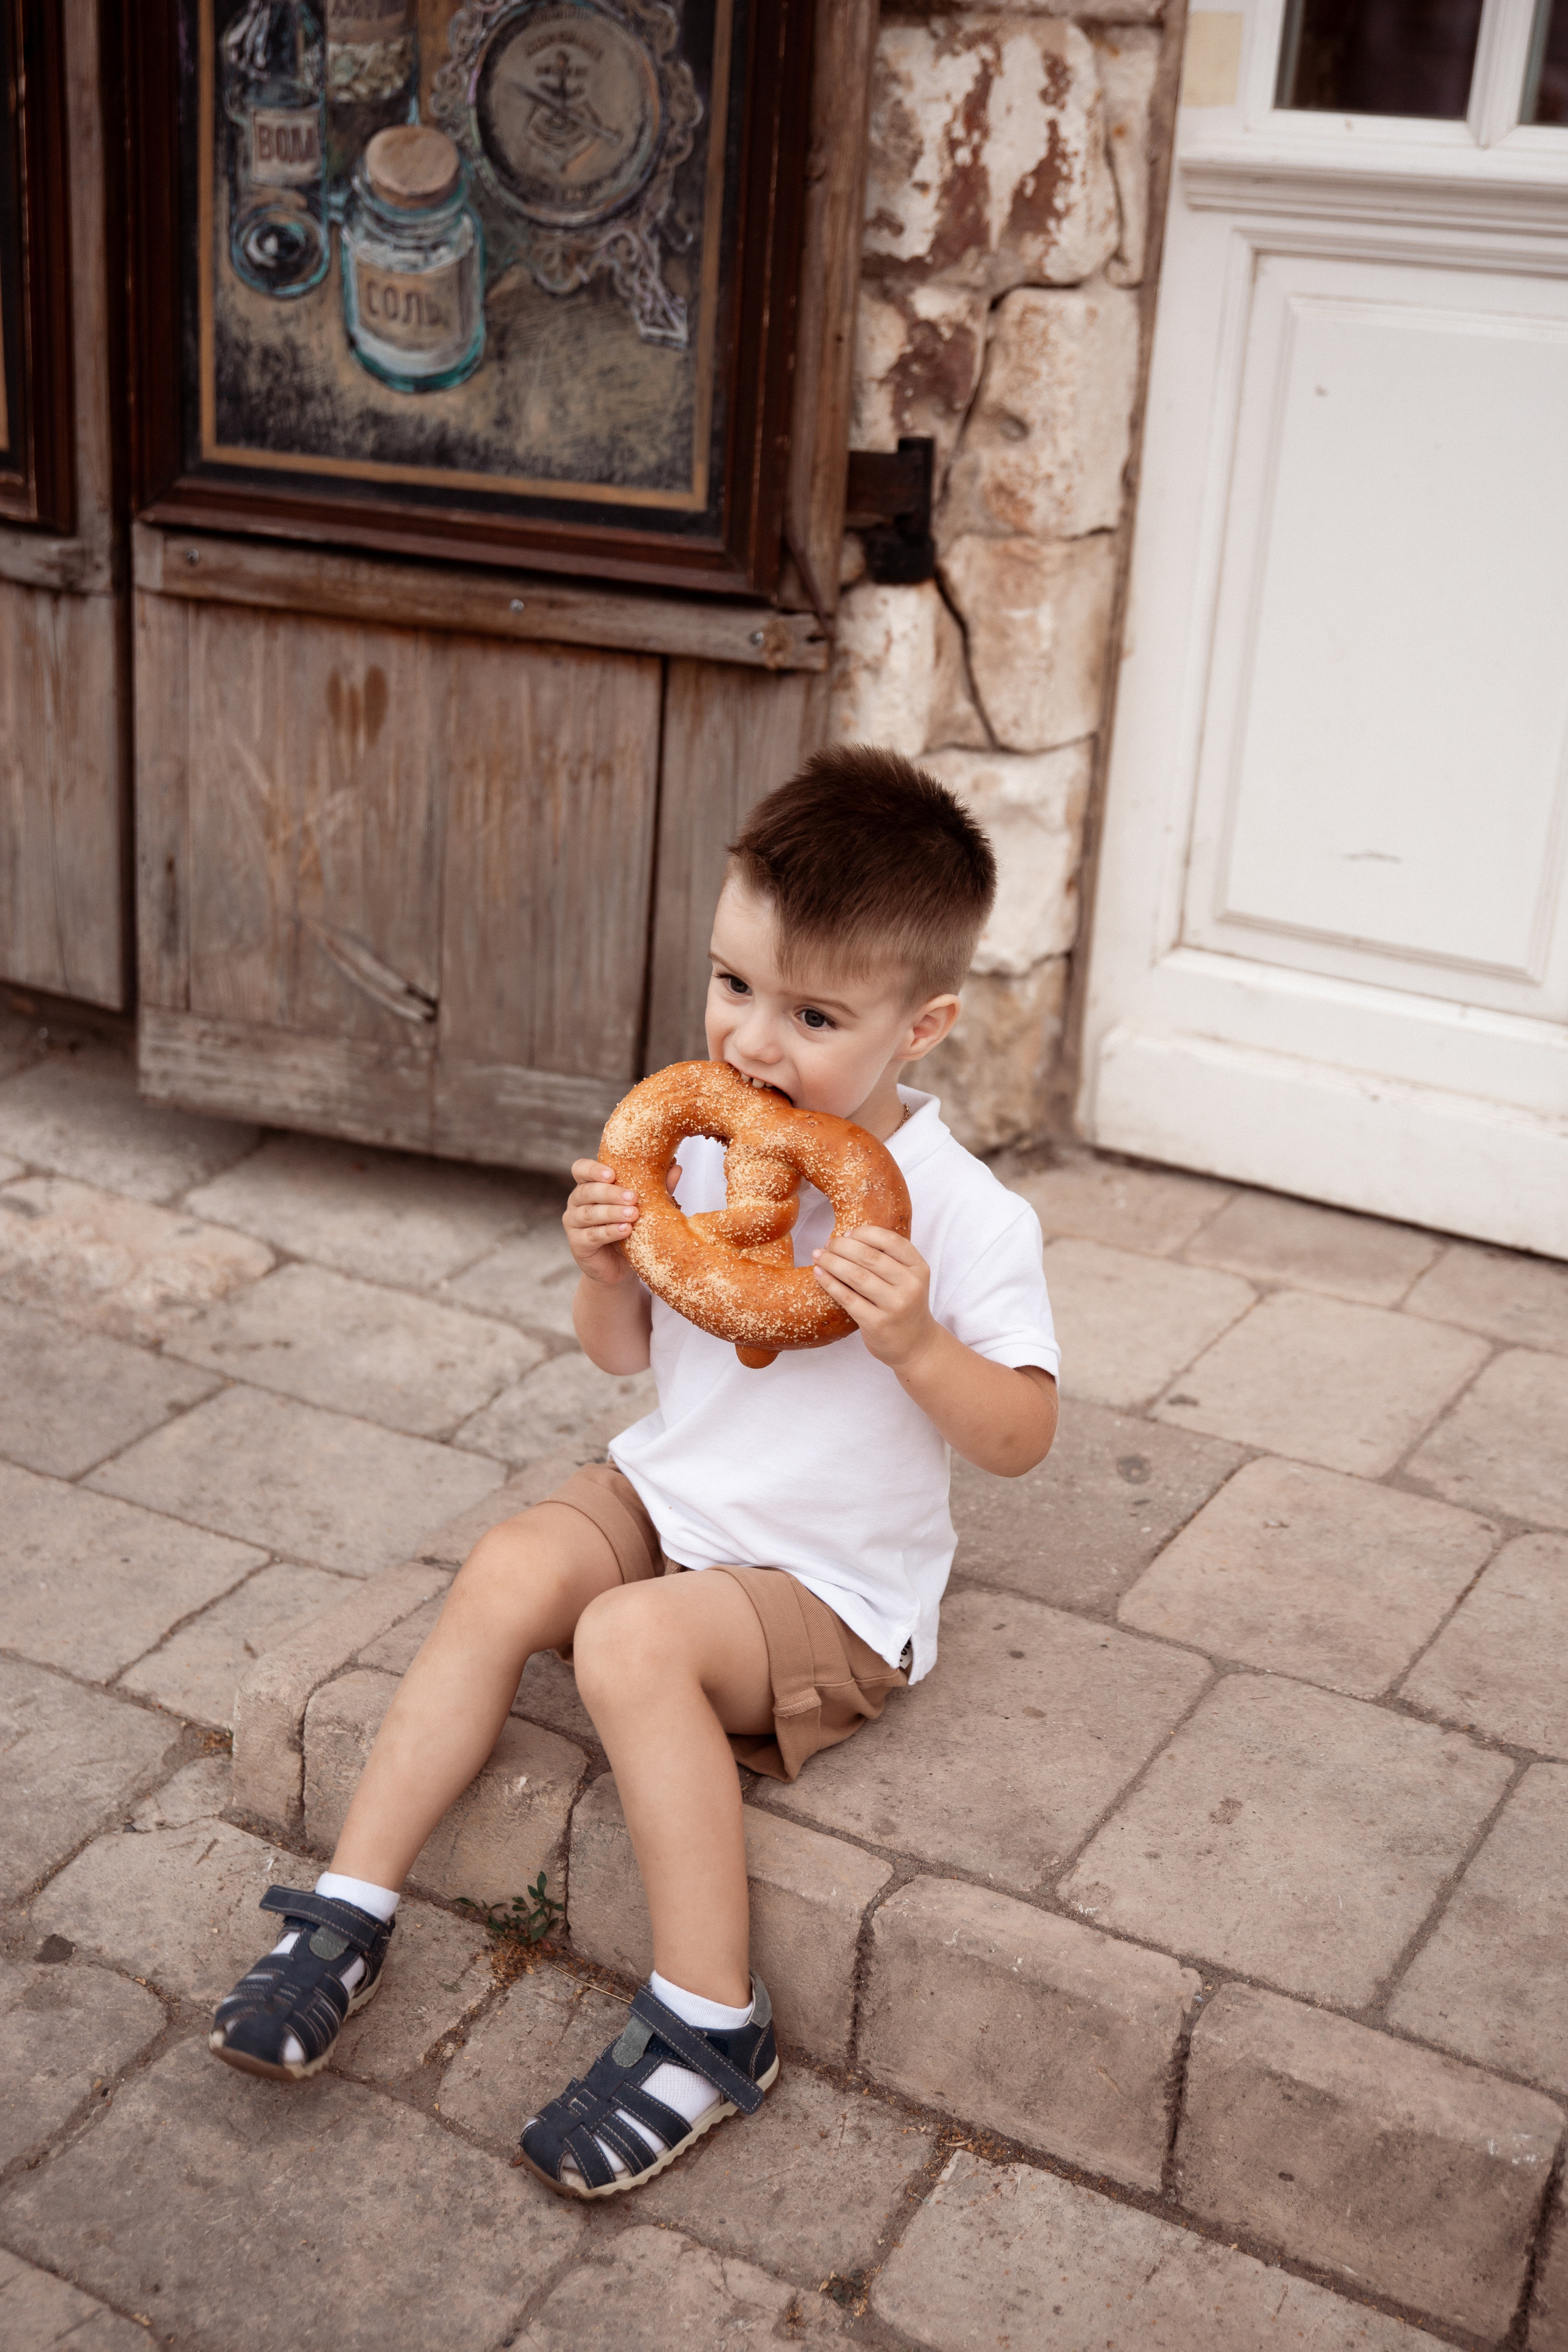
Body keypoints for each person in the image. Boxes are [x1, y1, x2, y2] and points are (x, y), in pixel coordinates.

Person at [209, 745, 1060, 2200]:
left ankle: (712, 2020)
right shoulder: (705, 1156)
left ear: (921, 1027)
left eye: (812, 1016)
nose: (753, 1043)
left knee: (623, 1640)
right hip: (674, 1499)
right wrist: (602, 1269)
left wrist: (917, 1344)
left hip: (824, 1588)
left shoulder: (966, 1219)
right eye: (733, 986)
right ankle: (347, 1910)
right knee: (507, 1566)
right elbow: (620, 1357)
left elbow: (1020, 1438)